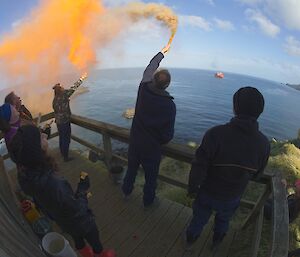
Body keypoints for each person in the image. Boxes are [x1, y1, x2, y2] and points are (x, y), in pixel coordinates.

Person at [10, 125, 115, 257]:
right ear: (35, 151)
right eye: (40, 136)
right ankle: (100, 254)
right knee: (94, 238)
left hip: (62, 221)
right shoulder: (53, 184)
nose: (44, 135)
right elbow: (77, 210)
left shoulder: (26, 175)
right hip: (82, 222)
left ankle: (85, 254)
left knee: (77, 239)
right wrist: (83, 188)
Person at [186, 87, 270, 249]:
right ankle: (216, 243)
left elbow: (199, 166)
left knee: (199, 219)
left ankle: (190, 242)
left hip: (208, 192)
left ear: (235, 107)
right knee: (224, 221)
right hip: (233, 195)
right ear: (260, 111)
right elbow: (257, 175)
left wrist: (192, 187)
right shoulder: (263, 144)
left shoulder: (215, 134)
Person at [122, 43, 176, 207]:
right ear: (167, 85)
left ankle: (126, 192)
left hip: (136, 142)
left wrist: (162, 53)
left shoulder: (143, 88)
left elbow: (150, 67)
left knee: (131, 170)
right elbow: (167, 135)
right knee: (151, 178)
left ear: (153, 79)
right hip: (152, 148)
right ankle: (148, 202)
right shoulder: (169, 105)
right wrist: (160, 141)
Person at [52, 80, 82, 162]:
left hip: (58, 122)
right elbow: (73, 88)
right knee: (66, 139)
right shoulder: (63, 96)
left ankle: (63, 154)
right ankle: (66, 157)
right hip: (65, 122)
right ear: (60, 90)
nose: (63, 88)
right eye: (62, 87)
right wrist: (81, 79)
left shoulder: (55, 99)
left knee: (62, 138)